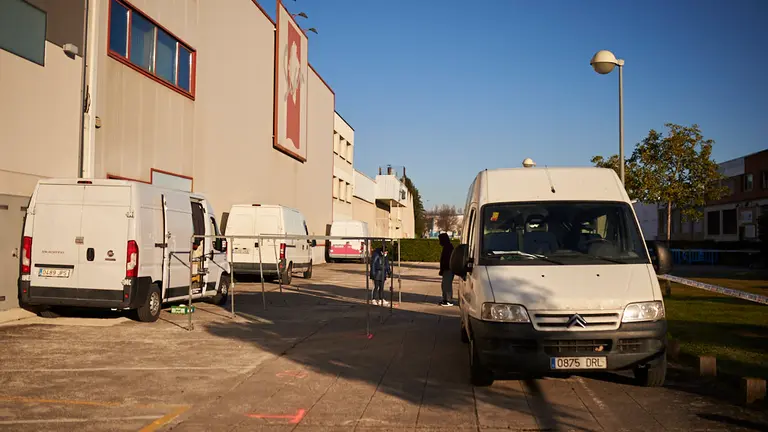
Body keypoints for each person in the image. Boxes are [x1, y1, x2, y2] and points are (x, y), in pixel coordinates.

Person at [439, 233, 455, 306]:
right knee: (444, 285)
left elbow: (446, 260)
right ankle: (445, 299)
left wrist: (442, 269)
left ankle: (449, 300)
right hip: (446, 269)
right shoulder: (447, 247)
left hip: (448, 269)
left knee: (447, 285)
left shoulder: (448, 248)